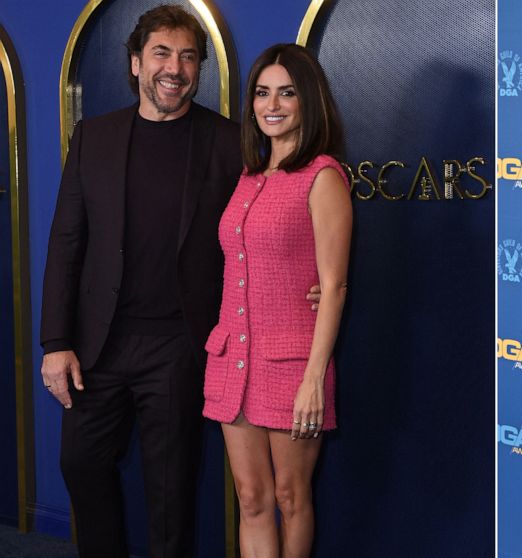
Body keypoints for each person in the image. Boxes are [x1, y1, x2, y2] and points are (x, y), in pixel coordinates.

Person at [39, 6, 241, 557]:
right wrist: (55, 343)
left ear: (199, 68)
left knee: (172, 492)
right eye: (161, 53)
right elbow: (66, 243)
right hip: (96, 347)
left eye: (187, 56)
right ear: (135, 63)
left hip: (179, 346)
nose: (173, 68)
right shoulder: (93, 138)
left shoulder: (228, 144)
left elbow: (256, 234)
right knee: (80, 465)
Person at [201, 43, 350, 558]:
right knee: (251, 497)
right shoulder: (248, 178)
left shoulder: (323, 176)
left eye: (287, 92)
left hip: (293, 367)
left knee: (290, 496)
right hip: (232, 362)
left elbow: (333, 286)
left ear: (308, 100)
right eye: (263, 93)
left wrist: (314, 380)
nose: (273, 105)